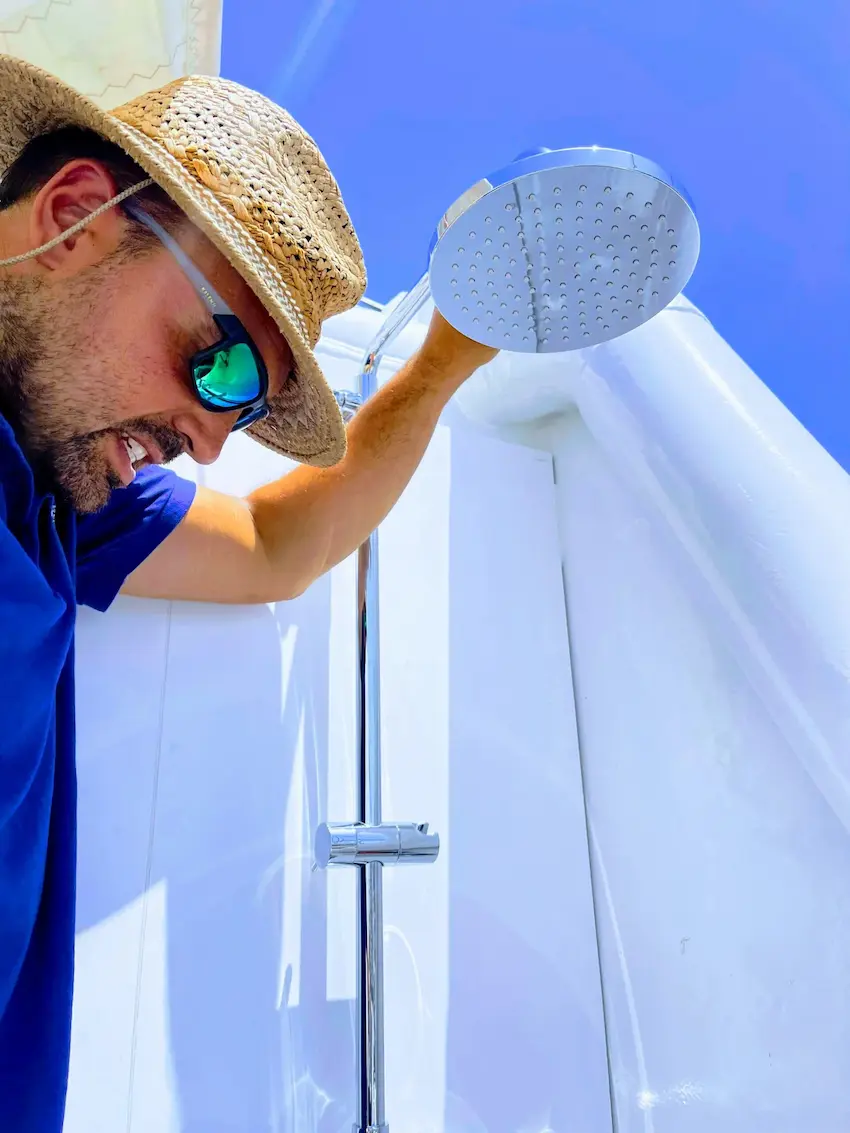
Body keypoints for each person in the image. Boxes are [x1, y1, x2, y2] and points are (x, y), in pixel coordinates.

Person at [0, 54, 497, 1129]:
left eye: (249, 408)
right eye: (219, 364)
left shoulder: (59, 496)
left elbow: (276, 542)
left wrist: (443, 363)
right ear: (76, 216)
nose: (213, 443)